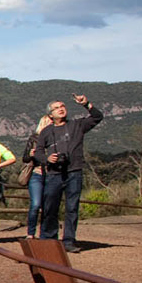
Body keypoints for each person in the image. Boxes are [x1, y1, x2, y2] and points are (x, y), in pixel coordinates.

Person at [35, 94, 104, 253]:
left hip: (74, 172)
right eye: (56, 108)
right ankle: (48, 239)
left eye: (62, 106)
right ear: (50, 115)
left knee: (72, 207)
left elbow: (97, 117)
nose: (61, 109)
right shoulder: (46, 132)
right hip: (54, 174)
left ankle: (69, 241)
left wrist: (86, 104)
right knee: (50, 207)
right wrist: (47, 159)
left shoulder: (77, 125)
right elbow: (37, 152)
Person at [19, 114, 52, 239]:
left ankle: (45, 233)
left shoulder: (55, 139)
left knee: (48, 206)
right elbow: (25, 158)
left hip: (51, 175)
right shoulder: (34, 139)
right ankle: (30, 233)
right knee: (36, 204)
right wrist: (31, 154)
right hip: (36, 174)